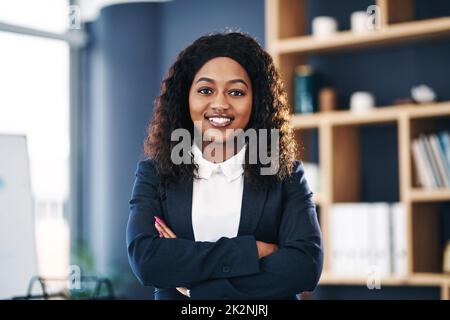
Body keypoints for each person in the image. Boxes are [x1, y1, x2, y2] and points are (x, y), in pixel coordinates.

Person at [126, 32, 323, 300]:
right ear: (185, 97)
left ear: (257, 102)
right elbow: (147, 262)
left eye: (236, 92)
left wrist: (198, 287)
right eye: (205, 90)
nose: (220, 104)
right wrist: (253, 251)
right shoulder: (155, 174)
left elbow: (304, 267)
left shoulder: (284, 174)